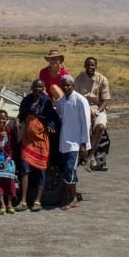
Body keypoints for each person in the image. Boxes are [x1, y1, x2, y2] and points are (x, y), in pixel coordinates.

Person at [15, 78, 59, 212]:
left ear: (43, 88)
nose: (38, 89)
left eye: (40, 87)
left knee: (41, 169)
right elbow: (21, 114)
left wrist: (50, 124)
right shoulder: (26, 100)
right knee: (24, 168)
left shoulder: (46, 101)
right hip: (28, 139)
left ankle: (37, 201)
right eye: (36, 86)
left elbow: (52, 117)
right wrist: (17, 120)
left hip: (41, 140)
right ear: (32, 87)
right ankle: (23, 200)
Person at [56, 74, 91, 211]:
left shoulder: (80, 100)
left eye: (68, 85)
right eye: (63, 85)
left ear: (73, 85)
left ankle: (73, 198)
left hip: (76, 143)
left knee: (70, 169)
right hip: (64, 141)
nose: (66, 87)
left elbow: (85, 123)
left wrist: (84, 144)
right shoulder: (61, 101)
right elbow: (59, 116)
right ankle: (67, 197)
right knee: (67, 170)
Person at [74, 56, 112, 170]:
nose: (90, 67)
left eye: (92, 65)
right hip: (82, 108)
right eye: (88, 65)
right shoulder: (79, 79)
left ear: (96, 66)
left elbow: (105, 100)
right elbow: (76, 98)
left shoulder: (102, 79)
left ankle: (90, 156)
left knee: (100, 126)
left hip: (98, 108)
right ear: (84, 66)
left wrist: (97, 112)